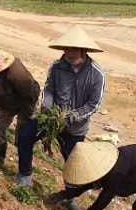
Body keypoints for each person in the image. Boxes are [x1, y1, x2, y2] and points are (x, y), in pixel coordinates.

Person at [14, 26, 106, 186]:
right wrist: (48, 107)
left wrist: (71, 117)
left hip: (75, 128)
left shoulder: (96, 74)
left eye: (74, 50)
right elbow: (49, 90)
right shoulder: (57, 67)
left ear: (84, 50)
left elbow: (93, 105)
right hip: (51, 120)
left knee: (72, 162)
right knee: (25, 135)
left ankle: (70, 194)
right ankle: (25, 174)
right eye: (67, 49)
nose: (70, 53)